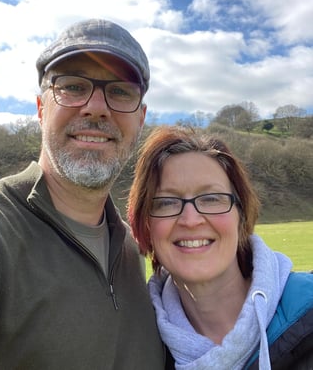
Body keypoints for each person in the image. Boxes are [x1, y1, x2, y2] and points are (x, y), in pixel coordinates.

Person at [0, 19, 166, 369]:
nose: (96, 107)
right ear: (42, 109)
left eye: (120, 91)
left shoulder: (131, 249)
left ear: (141, 119)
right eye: (73, 87)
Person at [128, 125, 313, 370]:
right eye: (167, 203)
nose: (191, 220)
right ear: (146, 225)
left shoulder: (306, 310)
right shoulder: (133, 346)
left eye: (211, 199)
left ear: (242, 216)